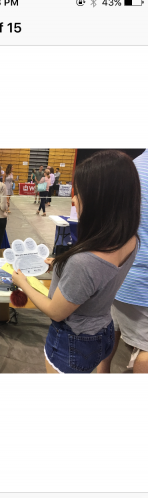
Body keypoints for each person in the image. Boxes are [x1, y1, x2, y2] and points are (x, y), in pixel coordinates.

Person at [12, 150, 140, 374]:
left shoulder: (83, 263)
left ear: (100, 200)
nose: (72, 199)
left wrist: (23, 283)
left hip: (72, 342)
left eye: (79, 193)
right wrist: (60, 264)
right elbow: (96, 280)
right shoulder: (131, 240)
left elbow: (56, 311)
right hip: (103, 332)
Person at [97, 149, 148, 373]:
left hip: (116, 274)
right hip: (140, 283)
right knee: (145, 349)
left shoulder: (131, 167)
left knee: (110, 332)